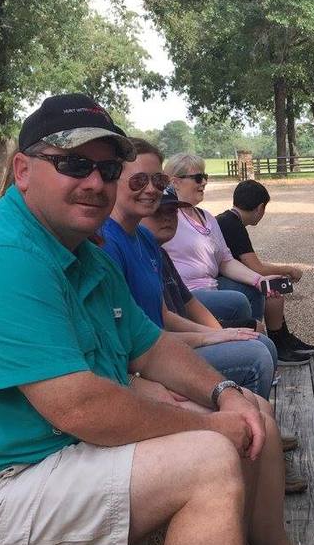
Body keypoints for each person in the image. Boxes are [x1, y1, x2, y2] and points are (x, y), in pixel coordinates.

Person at [0, 94, 314, 545]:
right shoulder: (1, 259)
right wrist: (210, 426)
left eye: (107, 168)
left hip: (45, 456)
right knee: (210, 458)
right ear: (23, 170)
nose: (95, 182)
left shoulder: (79, 251)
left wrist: (225, 393)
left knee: (251, 413)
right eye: (73, 164)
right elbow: (80, 408)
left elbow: (151, 346)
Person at [99, 139, 278, 400]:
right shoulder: (106, 243)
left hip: (163, 345)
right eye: (138, 180)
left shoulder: (146, 240)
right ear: (112, 180)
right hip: (144, 361)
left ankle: (251, 421)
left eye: (158, 181)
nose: (151, 189)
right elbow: (132, 342)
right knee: (256, 355)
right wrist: (209, 338)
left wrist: (218, 334)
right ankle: (239, 422)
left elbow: (165, 314)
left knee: (260, 343)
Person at [162, 154, 311, 365]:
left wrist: (259, 281)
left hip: (212, 286)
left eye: (205, 176)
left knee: (262, 289)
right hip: (187, 292)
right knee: (238, 300)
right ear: (175, 181)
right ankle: (250, 345)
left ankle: (261, 343)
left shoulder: (208, 217)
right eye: (197, 178)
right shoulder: (166, 216)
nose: (204, 182)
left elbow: (226, 261)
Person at [216, 179, 314, 359]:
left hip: (222, 276)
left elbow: (251, 265)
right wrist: (289, 270)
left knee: (275, 282)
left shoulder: (227, 219)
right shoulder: (233, 225)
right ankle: (278, 344)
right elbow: (257, 268)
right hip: (219, 282)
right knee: (274, 286)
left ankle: (283, 337)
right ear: (260, 208)